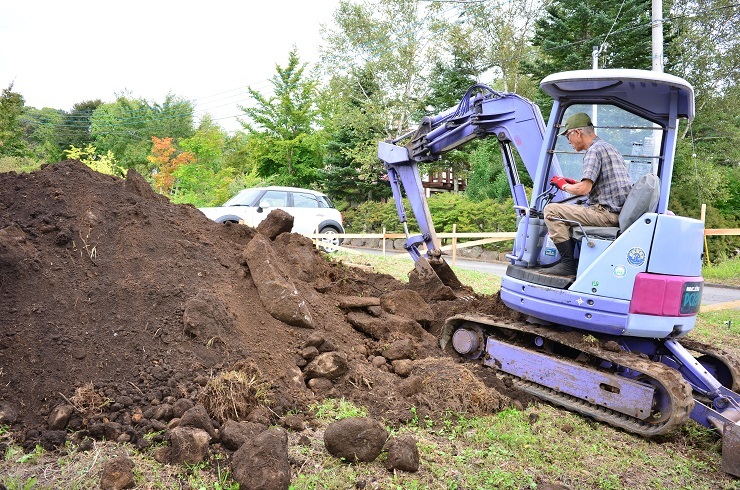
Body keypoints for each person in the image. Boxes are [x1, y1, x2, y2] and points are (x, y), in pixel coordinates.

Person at [544, 112, 633, 276]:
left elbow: (584, 189)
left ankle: (567, 265)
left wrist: (563, 185)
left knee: (551, 210)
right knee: (569, 209)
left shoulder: (593, 151)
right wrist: (573, 183)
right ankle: (572, 260)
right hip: (616, 212)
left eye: (568, 136)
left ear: (577, 132)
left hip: (605, 214)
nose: (568, 141)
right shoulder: (609, 148)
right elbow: (594, 186)